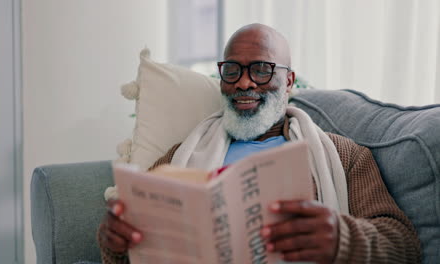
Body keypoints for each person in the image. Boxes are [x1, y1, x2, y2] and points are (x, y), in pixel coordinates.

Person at [97, 24, 421, 264]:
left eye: (262, 70)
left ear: (289, 81)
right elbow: (129, 246)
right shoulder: (181, 157)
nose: (244, 82)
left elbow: (404, 244)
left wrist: (342, 239)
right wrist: (115, 240)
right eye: (233, 70)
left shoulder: (343, 155)